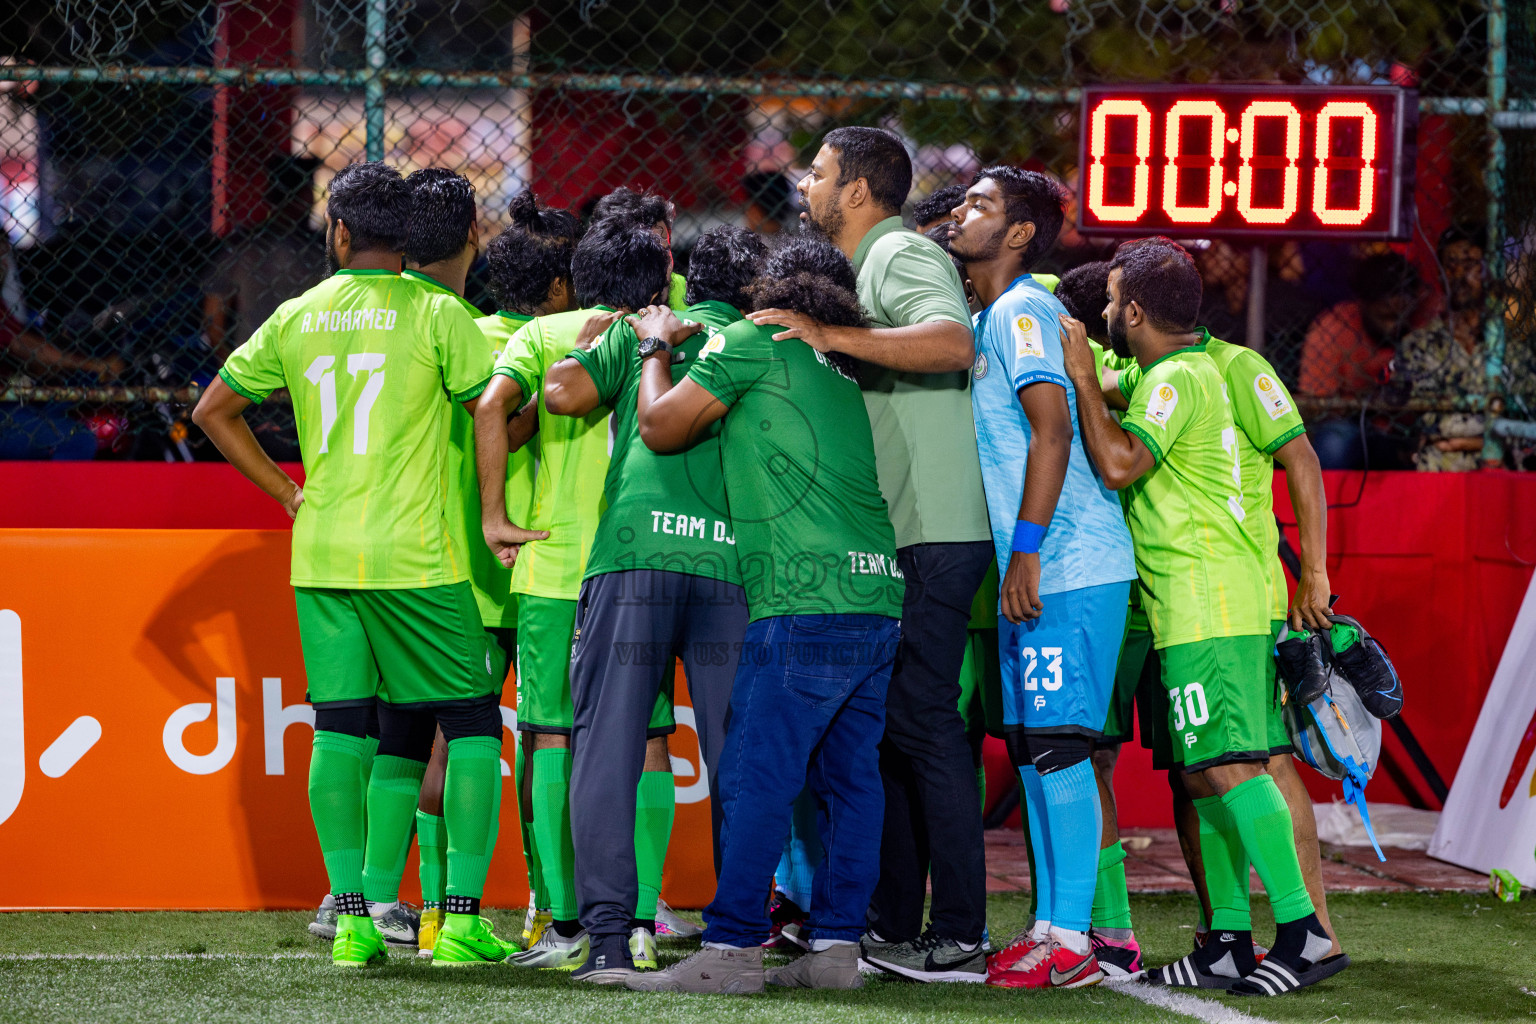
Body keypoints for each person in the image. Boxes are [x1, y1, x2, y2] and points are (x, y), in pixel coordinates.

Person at [191, 161, 515, 967]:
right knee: (472, 722)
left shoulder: (300, 313)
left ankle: (353, 919)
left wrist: (286, 492)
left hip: (323, 552)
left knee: (340, 729)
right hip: (415, 554)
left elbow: (212, 411)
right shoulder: (441, 315)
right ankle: (462, 922)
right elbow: (493, 408)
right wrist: (495, 510)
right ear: (407, 240)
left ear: (337, 233)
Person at [1060, 238, 1346, 996]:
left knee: (1236, 763)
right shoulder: (1171, 371)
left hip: (1214, 600)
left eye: (1114, 299)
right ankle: (1226, 938)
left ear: (1138, 311)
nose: (1107, 310)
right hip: (1189, 603)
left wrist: (1086, 380)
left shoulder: (1190, 376)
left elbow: (1121, 461)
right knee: (1201, 772)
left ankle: (1304, 931)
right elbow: (1118, 373)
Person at [625, 237, 904, 995]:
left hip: (802, 600)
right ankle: (838, 950)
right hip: (877, 594)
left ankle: (731, 949)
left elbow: (661, 427)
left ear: (771, 290)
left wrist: (654, 348)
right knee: (851, 783)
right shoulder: (840, 369)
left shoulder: (753, 340)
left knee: (756, 776)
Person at [751, 125, 992, 980]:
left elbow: (953, 343)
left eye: (817, 172)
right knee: (891, 731)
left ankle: (960, 929)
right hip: (909, 526)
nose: (804, 184)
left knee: (922, 725)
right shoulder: (872, 265)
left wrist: (834, 337)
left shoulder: (895, 253)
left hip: (935, 525)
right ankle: (897, 920)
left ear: (857, 190)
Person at [539, 226, 767, 983]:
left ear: (686, 280)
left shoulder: (645, 326)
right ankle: (739, 934)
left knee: (606, 745)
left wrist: (590, 338)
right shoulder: (764, 340)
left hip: (634, 556)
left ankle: (607, 939)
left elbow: (559, 394)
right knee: (739, 753)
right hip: (729, 567)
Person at [948, 167, 1135, 991]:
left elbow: (1052, 431)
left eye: (980, 204)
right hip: (1039, 569)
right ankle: (1053, 926)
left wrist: (1024, 550)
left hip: (1065, 564)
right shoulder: (989, 315)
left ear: (1021, 233)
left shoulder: (1021, 309)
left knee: (1058, 751)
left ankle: (1075, 940)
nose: (962, 212)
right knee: (1033, 753)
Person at [472, 211, 673, 971]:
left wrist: (496, 515)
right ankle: (645, 921)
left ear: (576, 280)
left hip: (557, 569)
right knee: (647, 737)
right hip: (647, 563)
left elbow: (492, 407)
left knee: (550, 733)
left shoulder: (544, 337)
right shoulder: (680, 338)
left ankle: (562, 926)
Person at [468, 189, 581, 954]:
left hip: (468, 571)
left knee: (469, 738)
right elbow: (503, 420)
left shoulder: (462, 334)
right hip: (543, 560)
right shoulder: (572, 341)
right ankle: (556, 901)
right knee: (555, 735)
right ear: (560, 285)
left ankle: (442, 909)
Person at [1300, 252, 1421, 469]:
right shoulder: (1333, 328)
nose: (1393, 326)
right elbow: (1315, 403)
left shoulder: (1424, 325)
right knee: (1333, 443)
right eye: (1385, 317)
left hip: (1409, 423)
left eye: (1400, 316)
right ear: (1363, 304)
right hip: (1352, 424)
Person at [1399, 226, 1495, 472]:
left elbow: (1525, 419)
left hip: (1503, 465)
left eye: (1471, 263)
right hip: (1439, 466)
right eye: (1450, 265)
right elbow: (1432, 423)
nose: (1459, 274)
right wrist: (1488, 437)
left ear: (1489, 271)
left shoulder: (1511, 346)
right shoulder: (1418, 344)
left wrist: (1468, 441)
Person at [590, 187, 688, 310]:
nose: (662, 265)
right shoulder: (591, 295)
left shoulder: (686, 290)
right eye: (646, 255)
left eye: (664, 251)